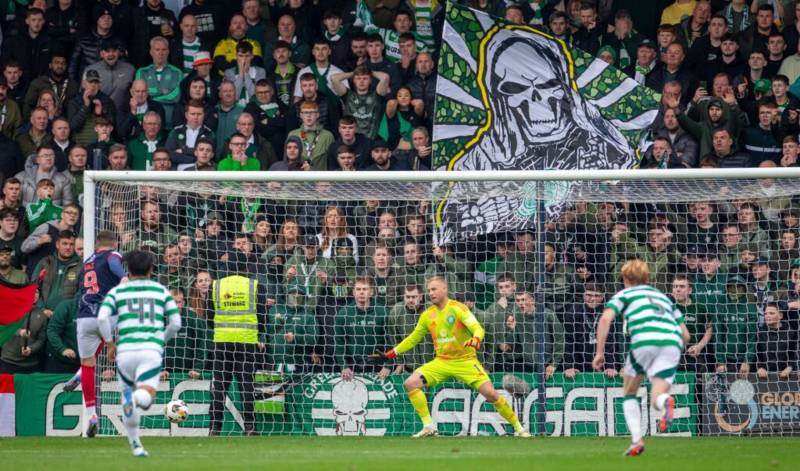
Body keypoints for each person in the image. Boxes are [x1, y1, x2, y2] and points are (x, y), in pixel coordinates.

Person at [370, 276, 530, 438]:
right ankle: (428, 426)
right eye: (429, 290)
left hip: (466, 361)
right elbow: (412, 339)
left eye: (434, 289)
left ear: (444, 290)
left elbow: (478, 328)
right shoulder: (427, 315)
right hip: (442, 361)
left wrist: (475, 339)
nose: (430, 293)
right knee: (410, 383)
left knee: (491, 394)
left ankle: (519, 427)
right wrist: (390, 354)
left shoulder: (458, 308)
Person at [592, 260, 690, 456]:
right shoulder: (663, 297)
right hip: (672, 343)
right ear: (647, 278)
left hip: (644, 341)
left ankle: (637, 440)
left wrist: (600, 352)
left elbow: (604, 319)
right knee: (657, 396)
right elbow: (686, 335)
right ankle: (665, 402)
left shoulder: (624, 294)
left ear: (625, 279)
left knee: (629, 392)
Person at [97, 249, 180, 457]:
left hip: (124, 352)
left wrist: (109, 343)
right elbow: (176, 323)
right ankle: (133, 401)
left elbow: (101, 318)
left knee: (130, 396)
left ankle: (136, 444)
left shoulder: (118, 292)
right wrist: (161, 339)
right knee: (145, 397)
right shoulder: (160, 291)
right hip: (149, 350)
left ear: (128, 269)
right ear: (151, 269)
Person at [62, 230, 127, 438]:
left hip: (84, 317)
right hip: (106, 314)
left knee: (87, 364)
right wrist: (124, 280)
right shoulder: (113, 256)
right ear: (114, 244)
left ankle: (91, 415)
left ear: (96, 245)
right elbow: (118, 270)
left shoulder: (86, 262)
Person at [208, 255, 269, 435]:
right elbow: (263, 315)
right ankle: (249, 427)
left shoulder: (216, 285)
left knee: (219, 386)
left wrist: (223, 327)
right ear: (246, 267)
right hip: (246, 341)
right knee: (246, 385)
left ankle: (215, 428)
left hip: (222, 342)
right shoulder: (255, 285)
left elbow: (209, 315)